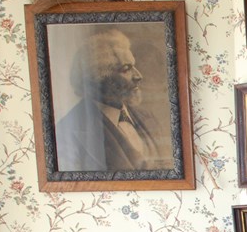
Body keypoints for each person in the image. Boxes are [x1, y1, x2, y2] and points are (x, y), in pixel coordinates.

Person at [55, 27, 172, 172]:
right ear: (100, 78)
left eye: (133, 66)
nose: (138, 76)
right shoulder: (69, 130)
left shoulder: (147, 118)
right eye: (126, 69)